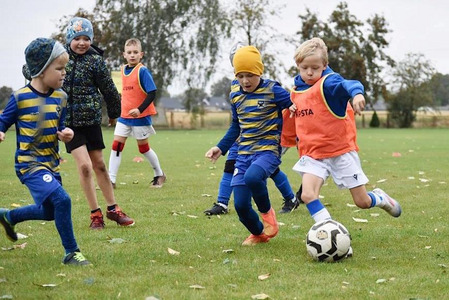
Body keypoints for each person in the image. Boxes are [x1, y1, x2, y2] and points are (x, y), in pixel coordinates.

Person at [289, 37, 402, 227]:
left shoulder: (329, 83)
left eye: (315, 68)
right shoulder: (295, 92)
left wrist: (357, 94)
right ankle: (328, 230)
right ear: (298, 66)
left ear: (324, 65)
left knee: (362, 202)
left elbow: (348, 84)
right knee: (307, 195)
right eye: (305, 67)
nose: (309, 72)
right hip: (313, 155)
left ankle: (380, 198)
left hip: (340, 152)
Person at [0, 38, 91, 265]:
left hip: (51, 163)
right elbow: (3, 122)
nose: (64, 74)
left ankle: (8, 216)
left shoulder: (61, 98)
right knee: (63, 200)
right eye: (59, 68)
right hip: (28, 164)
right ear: (41, 71)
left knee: (51, 212)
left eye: (65, 68)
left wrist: (66, 132)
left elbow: (60, 126)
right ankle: (71, 252)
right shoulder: (20, 98)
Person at [205, 46, 293, 245]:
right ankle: (259, 234)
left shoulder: (273, 90)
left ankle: (269, 218)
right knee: (241, 205)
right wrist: (221, 147)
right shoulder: (235, 93)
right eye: (241, 75)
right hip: (244, 153)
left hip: (268, 150)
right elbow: (236, 125)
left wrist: (293, 108)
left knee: (254, 177)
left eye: (250, 75)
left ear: (259, 72)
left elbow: (295, 105)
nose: (245, 81)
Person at [63, 17, 134, 229]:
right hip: (69, 125)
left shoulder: (95, 61)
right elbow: (36, 69)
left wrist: (113, 113)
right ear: (69, 40)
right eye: (77, 38)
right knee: (84, 167)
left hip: (91, 121)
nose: (82, 43)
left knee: (100, 166)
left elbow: (109, 90)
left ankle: (113, 209)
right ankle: (95, 214)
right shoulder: (61, 59)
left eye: (86, 38)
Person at [108, 38, 166, 189]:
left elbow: (152, 93)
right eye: (129, 52)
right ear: (124, 55)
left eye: (135, 52)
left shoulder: (142, 71)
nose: (132, 55)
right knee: (117, 145)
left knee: (143, 148)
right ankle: (111, 180)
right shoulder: (122, 70)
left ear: (141, 54)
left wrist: (139, 109)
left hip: (140, 117)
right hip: (124, 117)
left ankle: (159, 174)